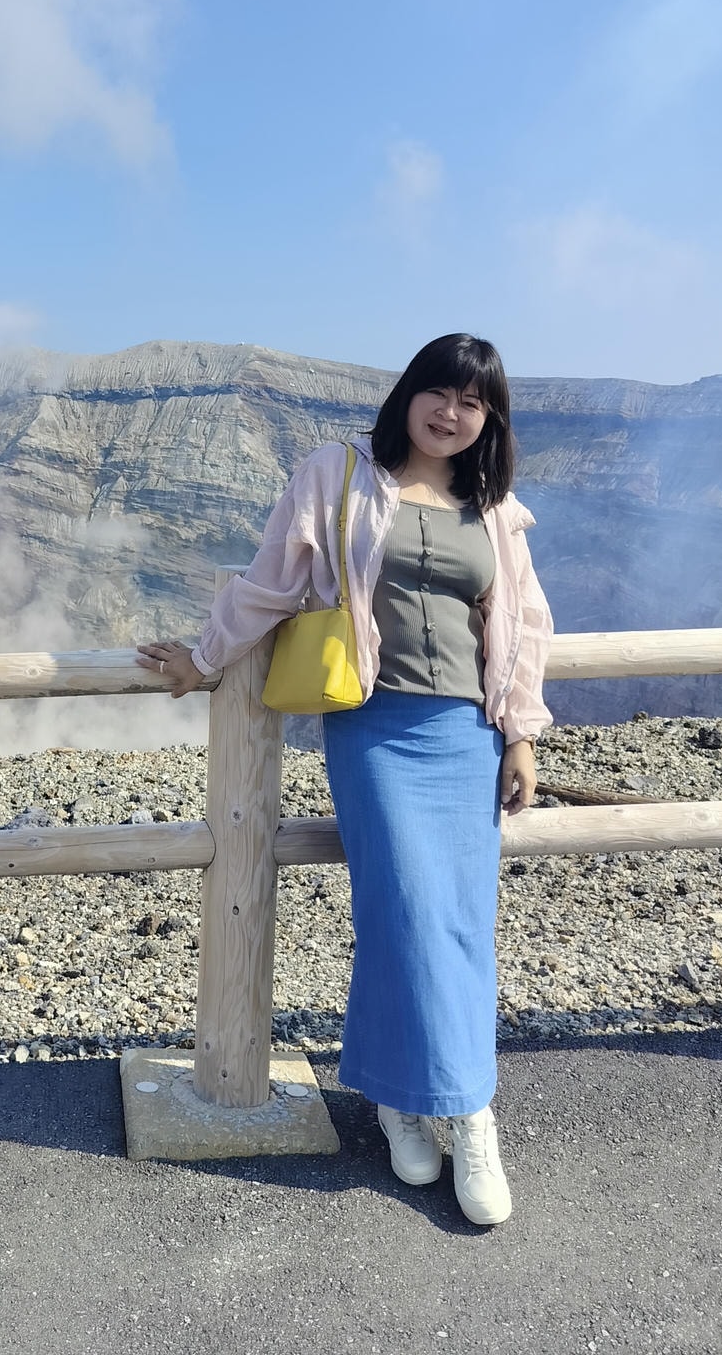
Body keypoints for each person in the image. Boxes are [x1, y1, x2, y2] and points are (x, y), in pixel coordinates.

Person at [136, 332, 552, 1226]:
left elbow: (523, 623)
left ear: (489, 420)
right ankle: (429, 1103)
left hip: (466, 737)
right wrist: (204, 657)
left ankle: (457, 1110)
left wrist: (520, 735)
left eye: (472, 403)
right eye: (440, 393)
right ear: (409, 394)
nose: (451, 413)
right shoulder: (340, 475)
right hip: (374, 730)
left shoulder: (492, 506)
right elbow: (271, 581)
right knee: (404, 915)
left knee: (459, 924)